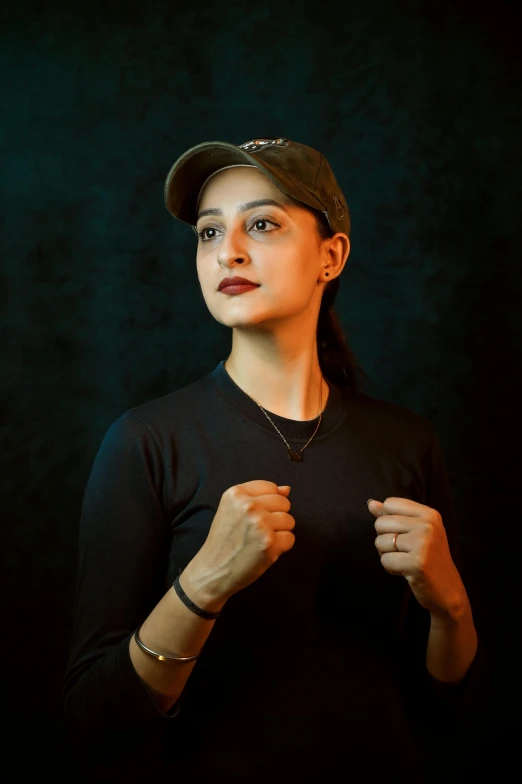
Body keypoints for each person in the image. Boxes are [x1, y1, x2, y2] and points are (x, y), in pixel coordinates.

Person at [62, 136, 484, 783]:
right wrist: (203, 585)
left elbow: (448, 710)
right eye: (208, 233)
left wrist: (450, 604)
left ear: (331, 255)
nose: (227, 250)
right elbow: (94, 724)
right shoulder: (145, 443)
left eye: (261, 224)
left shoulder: (406, 442)